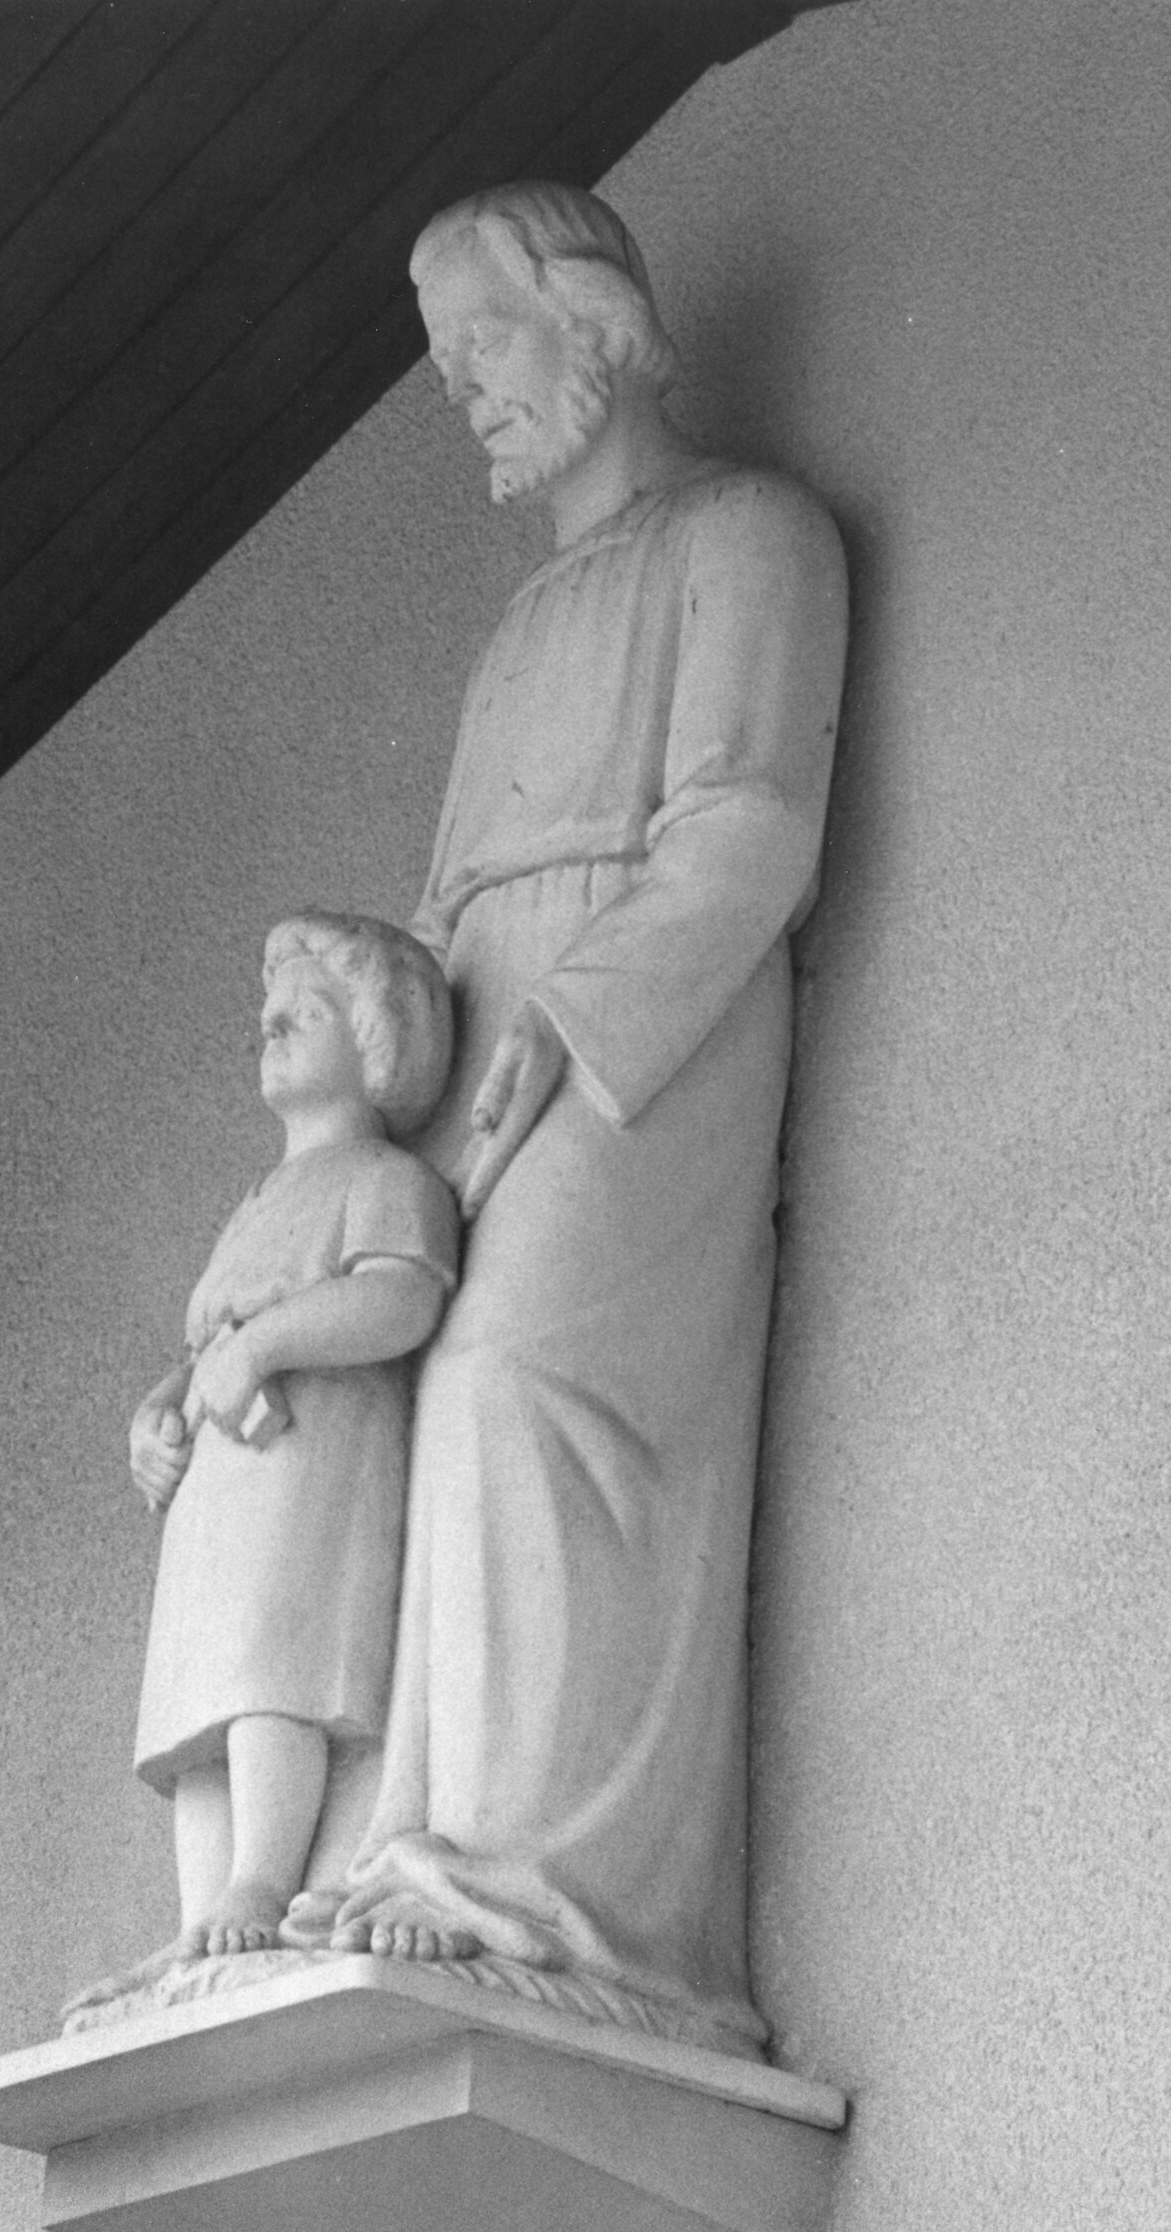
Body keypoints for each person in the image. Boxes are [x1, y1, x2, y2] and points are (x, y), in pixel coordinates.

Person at [311, 185, 849, 2057]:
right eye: (448, 363)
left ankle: (554, 1893)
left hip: (648, 1033)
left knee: (517, 1389)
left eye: (488, 346)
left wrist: (576, 1019)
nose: (464, 392)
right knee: (403, 1405)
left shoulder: (753, 536)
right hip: (485, 1046)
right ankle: (423, 1846)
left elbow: (752, 830)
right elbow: (451, 903)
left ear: (600, 325)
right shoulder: (524, 619)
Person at [66, 915, 457, 2023]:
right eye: (268, 1006)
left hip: (303, 1466)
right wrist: (157, 1412)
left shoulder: (381, 1177)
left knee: (266, 1673)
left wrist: (265, 1345)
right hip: (219, 1483)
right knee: (196, 1708)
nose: (270, 1021)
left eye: (308, 1006)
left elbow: (400, 1294)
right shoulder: (255, 1201)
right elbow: (201, 1346)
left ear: (377, 1039)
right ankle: (203, 1913)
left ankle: (264, 1877)